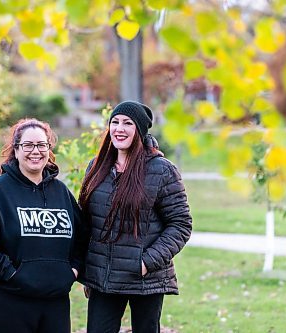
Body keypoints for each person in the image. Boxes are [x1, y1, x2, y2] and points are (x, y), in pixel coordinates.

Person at [78, 101, 193, 333]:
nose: (119, 128)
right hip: (104, 278)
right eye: (115, 122)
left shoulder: (161, 170)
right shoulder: (97, 166)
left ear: (139, 131)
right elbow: (86, 222)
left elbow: (180, 224)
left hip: (145, 278)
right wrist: (87, 269)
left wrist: (146, 262)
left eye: (128, 123)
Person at [0, 118, 83, 333]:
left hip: (54, 302)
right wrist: (13, 274)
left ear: (49, 149)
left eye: (41, 145)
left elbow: (81, 238)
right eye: (28, 145)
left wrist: (72, 271)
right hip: (7, 300)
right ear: (16, 150)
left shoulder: (61, 192)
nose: (35, 151)